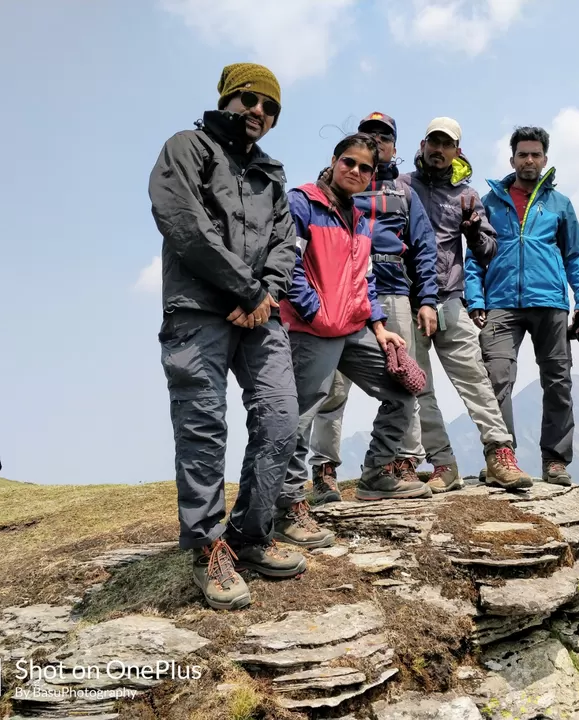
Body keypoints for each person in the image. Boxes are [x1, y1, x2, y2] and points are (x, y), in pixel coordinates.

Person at [148, 63, 307, 613]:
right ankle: (207, 546)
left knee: (283, 417)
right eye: (250, 100)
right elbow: (182, 221)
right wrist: (244, 289)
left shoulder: (272, 176)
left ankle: (250, 536)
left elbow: (288, 242)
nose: (259, 112)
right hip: (198, 309)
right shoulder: (187, 147)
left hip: (259, 314)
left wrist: (263, 292)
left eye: (270, 107)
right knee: (202, 425)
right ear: (227, 98)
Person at [281, 133, 432, 507]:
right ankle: (287, 504)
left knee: (402, 390)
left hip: (353, 329)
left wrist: (379, 327)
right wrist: (315, 311)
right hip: (310, 329)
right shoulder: (302, 203)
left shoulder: (360, 219)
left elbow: (363, 278)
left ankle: (377, 474)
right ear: (334, 162)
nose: (356, 171)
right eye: (349, 162)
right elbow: (287, 265)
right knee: (300, 415)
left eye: (366, 168)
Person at [402, 118, 532, 491]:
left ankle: (499, 455)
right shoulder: (402, 186)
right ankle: (443, 463)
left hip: (450, 298)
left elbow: (489, 249)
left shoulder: (466, 195)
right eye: (434, 142)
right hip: (409, 301)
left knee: (476, 379)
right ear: (424, 143)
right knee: (417, 387)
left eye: (447, 145)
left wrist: (474, 228)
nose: (439, 150)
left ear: (457, 151)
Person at [465, 126, 579, 486]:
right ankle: (500, 456)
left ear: (545, 160)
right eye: (523, 154)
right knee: (495, 379)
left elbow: (576, 255)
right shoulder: (490, 202)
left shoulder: (560, 204)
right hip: (500, 303)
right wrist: (475, 299)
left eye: (535, 154)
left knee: (558, 382)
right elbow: (475, 256)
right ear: (512, 159)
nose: (529, 160)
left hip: (551, 301)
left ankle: (554, 460)